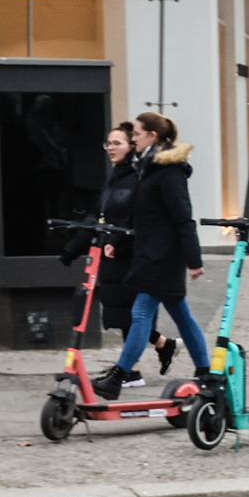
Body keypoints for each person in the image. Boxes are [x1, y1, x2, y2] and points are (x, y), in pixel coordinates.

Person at [90, 112, 209, 401]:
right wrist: (116, 241)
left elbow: (183, 219)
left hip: (163, 257)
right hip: (150, 253)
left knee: (141, 312)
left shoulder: (168, 172)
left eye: (138, 134)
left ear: (152, 137)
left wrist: (194, 260)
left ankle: (119, 376)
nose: (134, 139)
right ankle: (206, 373)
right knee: (181, 314)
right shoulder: (148, 167)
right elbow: (138, 214)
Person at [64, 124, 176, 385]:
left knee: (131, 313)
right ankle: (162, 346)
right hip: (112, 253)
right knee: (121, 313)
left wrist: (117, 240)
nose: (111, 148)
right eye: (108, 143)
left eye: (117, 143)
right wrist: (73, 247)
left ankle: (129, 370)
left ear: (131, 146)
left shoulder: (138, 176)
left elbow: (134, 217)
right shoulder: (113, 176)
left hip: (130, 253)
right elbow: (100, 214)